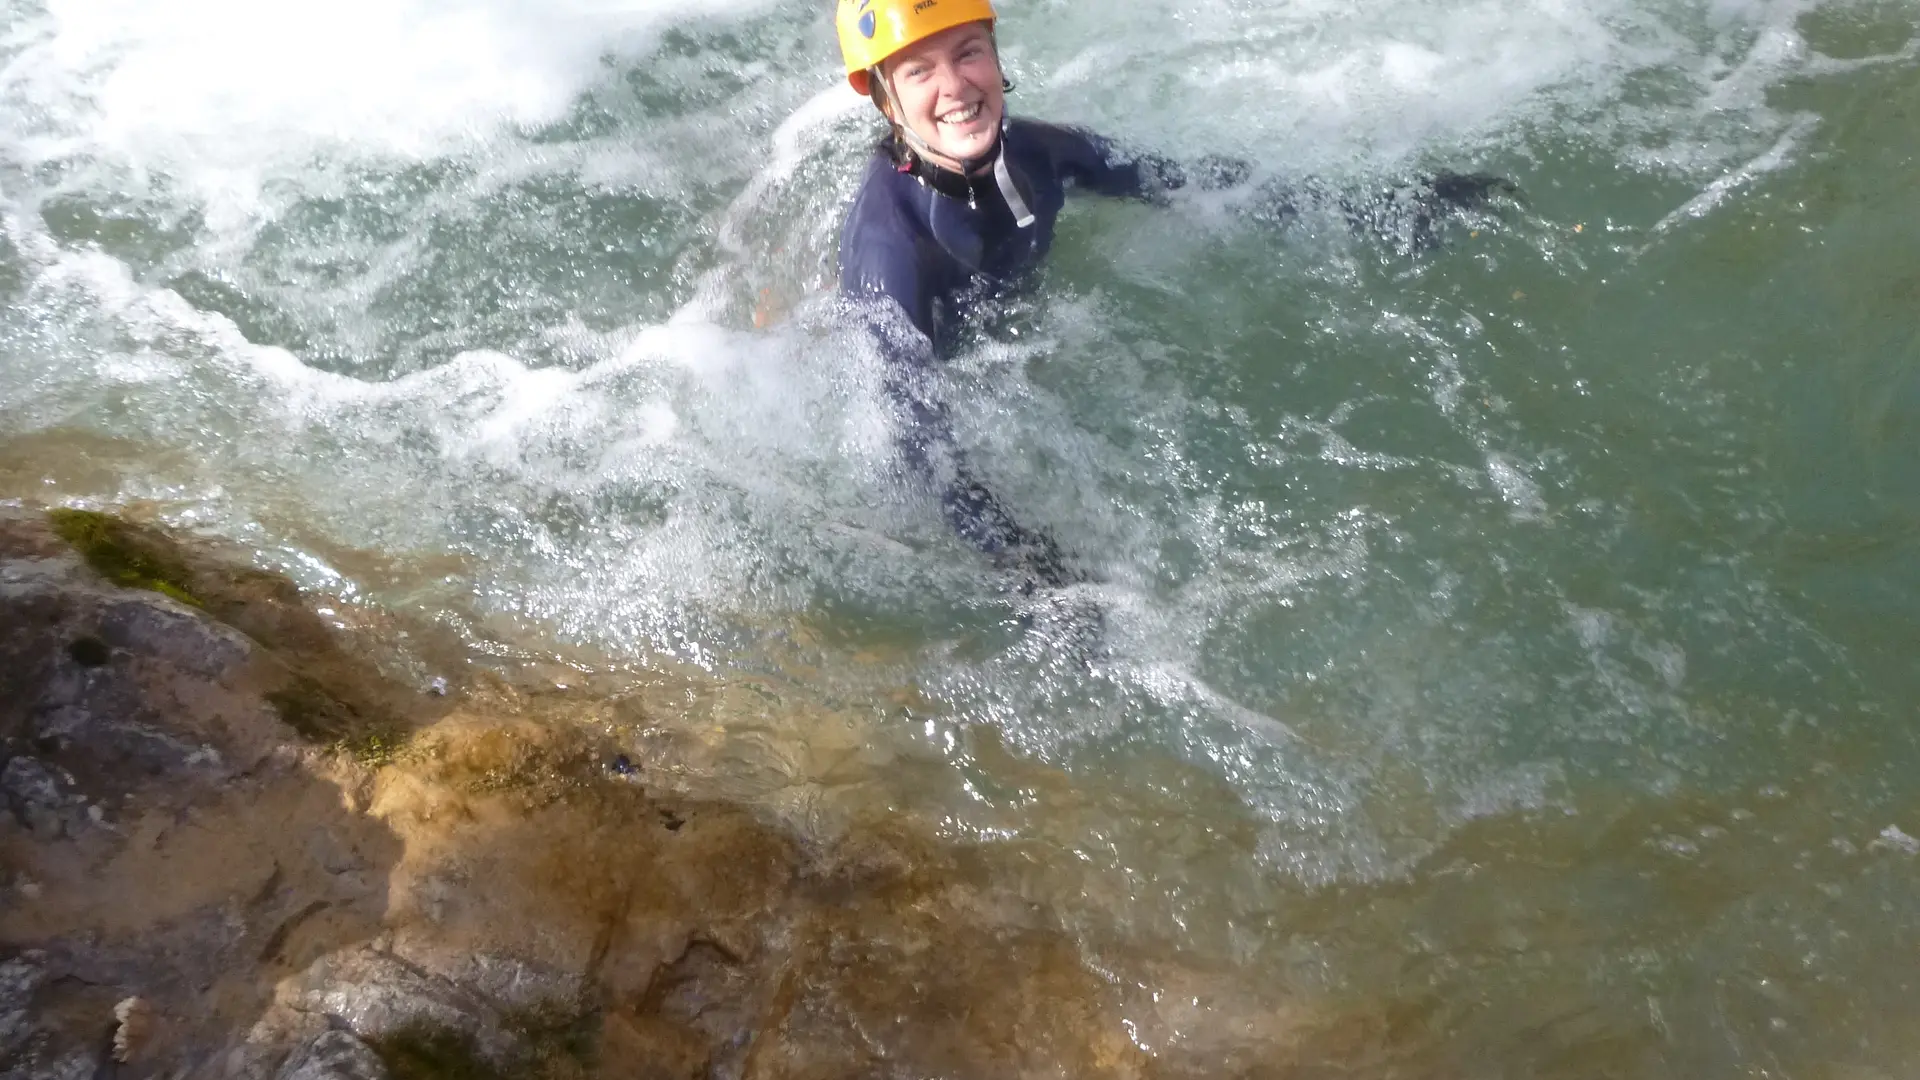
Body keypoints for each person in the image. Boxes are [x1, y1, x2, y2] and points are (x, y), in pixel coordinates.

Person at [835, 0, 1509, 591]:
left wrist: (1376, 208)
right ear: (886, 102)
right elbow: (912, 444)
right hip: (950, 365)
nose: (956, 86)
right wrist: (1028, 567)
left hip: (1007, 332)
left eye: (968, 52)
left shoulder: (1035, 152)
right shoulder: (890, 253)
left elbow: (1190, 181)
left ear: (997, 54)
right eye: (919, 71)